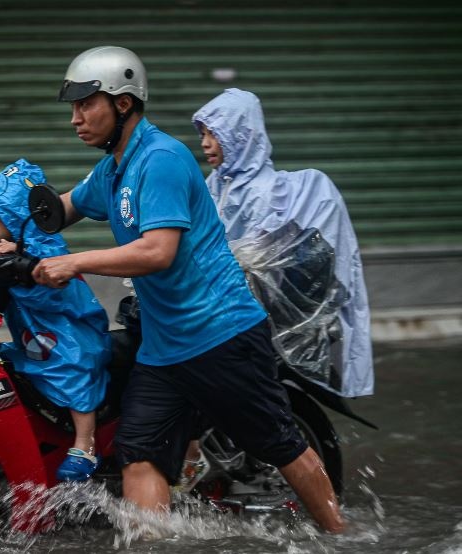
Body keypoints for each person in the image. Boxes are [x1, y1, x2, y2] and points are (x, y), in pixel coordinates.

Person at [32, 46, 345, 532]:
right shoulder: (114, 168)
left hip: (220, 336)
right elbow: (63, 208)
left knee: (278, 442)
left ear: (123, 104)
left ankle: (343, 536)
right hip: (164, 351)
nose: (75, 119)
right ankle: (150, 544)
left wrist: (74, 262)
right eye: (72, 108)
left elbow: (158, 252)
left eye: (85, 105)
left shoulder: (161, 159)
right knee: (139, 454)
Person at [191, 88, 374, 398]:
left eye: (215, 133)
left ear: (239, 134)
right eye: (203, 134)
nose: (205, 143)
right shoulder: (215, 184)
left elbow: (257, 258)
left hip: (247, 317)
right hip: (218, 308)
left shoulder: (265, 191)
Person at [0, 158, 112, 482]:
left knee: (76, 372)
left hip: (70, 334)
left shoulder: (46, 249)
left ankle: (85, 444)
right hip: (38, 336)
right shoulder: (15, 244)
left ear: (15, 219)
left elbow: (45, 278)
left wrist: (23, 258)